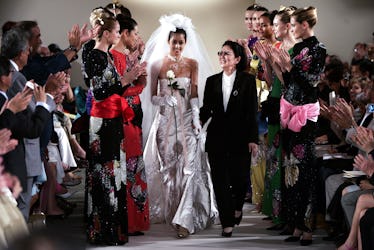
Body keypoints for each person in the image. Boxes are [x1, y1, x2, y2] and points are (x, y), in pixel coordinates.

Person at [141, 14, 218, 239]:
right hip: (165, 123)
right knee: (168, 170)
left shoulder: (192, 64)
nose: (177, 46)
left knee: (190, 168)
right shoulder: (157, 65)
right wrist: (163, 100)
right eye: (174, 42)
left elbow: (194, 94)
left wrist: (196, 118)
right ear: (168, 42)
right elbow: (151, 97)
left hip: (186, 120)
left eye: (181, 42)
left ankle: (185, 220)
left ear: (186, 43)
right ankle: (173, 211)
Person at [272, 6, 326, 246]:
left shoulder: (318, 50)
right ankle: (294, 223)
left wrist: (290, 68)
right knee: (290, 170)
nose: (291, 28)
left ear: (305, 25)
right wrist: (276, 65)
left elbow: (311, 84)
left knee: (304, 170)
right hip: (289, 112)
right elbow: (288, 81)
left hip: (306, 116)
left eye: (293, 25)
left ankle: (307, 228)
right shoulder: (298, 49)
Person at [200, 40, 258, 237]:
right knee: (220, 181)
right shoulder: (211, 81)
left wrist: (253, 138)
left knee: (240, 178)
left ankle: (238, 207)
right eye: (220, 53)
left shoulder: (247, 81)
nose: (222, 57)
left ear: (237, 59)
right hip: (217, 137)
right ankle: (227, 222)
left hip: (240, 138)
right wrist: (195, 123)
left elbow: (252, 111)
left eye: (227, 54)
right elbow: (206, 110)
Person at [85, 13, 131, 245]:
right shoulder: (94, 55)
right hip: (101, 123)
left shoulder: (107, 56)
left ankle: (115, 229)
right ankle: (103, 229)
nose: (118, 35)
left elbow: (115, 89)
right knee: (103, 173)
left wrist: (131, 80)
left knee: (115, 172)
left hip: (113, 121)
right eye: (116, 31)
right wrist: (125, 79)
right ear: (106, 33)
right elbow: (100, 91)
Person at [110, 14, 149, 236]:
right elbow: (120, 91)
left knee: (134, 168)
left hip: (132, 116)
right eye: (134, 33)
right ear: (124, 34)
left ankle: (133, 220)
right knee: (130, 168)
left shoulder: (123, 56)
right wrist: (140, 86)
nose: (137, 37)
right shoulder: (114, 57)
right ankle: (129, 221)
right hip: (124, 118)